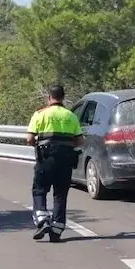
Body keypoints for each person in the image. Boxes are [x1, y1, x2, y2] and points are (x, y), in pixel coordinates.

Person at [26, 84, 84, 242]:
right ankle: (56, 231)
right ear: (63, 98)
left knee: (39, 190)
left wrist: (38, 144)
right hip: (65, 160)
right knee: (60, 194)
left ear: (49, 98)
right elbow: (80, 140)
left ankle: (43, 221)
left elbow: (30, 139)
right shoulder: (71, 116)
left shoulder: (40, 114)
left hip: (45, 159)